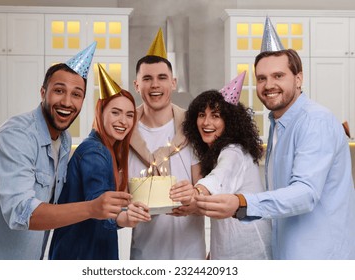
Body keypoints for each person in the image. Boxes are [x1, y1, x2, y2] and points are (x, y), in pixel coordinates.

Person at [0, 43, 131, 260]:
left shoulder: (64, 140)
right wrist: (92, 208)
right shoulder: (16, 135)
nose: (66, 102)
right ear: (43, 92)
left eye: (76, 94)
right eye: (59, 91)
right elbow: (21, 212)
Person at [195, 48, 355, 259]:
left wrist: (242, 203)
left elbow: (305, 193)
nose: (268, 85)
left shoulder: (315, 121)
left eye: (278, 76)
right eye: (262, 78)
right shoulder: (278, 125)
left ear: (298, 79)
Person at [48, 64, 151, 260]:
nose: (123, 121)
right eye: (115, 112)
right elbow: (99, 202)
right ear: (101, 112)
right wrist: (124, 218)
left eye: (129, 115)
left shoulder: (106, 149)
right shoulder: (95, 152)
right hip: (82, 254)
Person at [128, 28, 206, 260]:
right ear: (136, 85)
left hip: (190, 255)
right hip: (144, 253)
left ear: (173, 83)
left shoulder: (194, 129)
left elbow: (204, 190)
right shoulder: (124, 133)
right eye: (147, 78)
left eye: (162, 78)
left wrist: (193, 194)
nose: (155, 85)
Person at [182, 86, 272, 260]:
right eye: (202, 115)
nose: (206, 122)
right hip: (229, 252)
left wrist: (196, 192)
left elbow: (219, 178)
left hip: (251, 253)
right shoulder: (215, 153)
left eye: (215, 116)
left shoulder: (234, 152)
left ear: (229, 122)